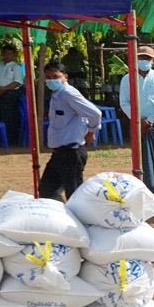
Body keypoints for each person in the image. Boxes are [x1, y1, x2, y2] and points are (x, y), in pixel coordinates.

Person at [35, 60, 101, 201]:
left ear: (65, 77)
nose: (52, 80)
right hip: (59, 152)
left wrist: (91, 132)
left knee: (74, 194)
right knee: (47, 189)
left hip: (72, 152)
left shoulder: (68, 94)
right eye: (48, 77)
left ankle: (78, 214)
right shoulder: (56, 95)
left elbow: (95, 113)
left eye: (56, 77)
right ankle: (62, 213)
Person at [119, 45, 154, 185]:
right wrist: (138, 121)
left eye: (147, 58)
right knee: (140, 158)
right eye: (141, 57)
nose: (144, 60)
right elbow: (124, 103)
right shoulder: (127, 79)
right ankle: (144, 187)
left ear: (153, 61)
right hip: (137, 124)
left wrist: (150, 120)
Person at [0, 41, 26, 147]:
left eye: (10, 53)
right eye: (6, 53)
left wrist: (4, 89)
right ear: (3, 54)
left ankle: (10, 140)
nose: (7, 56)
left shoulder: (16, 67)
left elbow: (17, 82)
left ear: (13, 55)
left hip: (11, 95)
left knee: (9, 117)